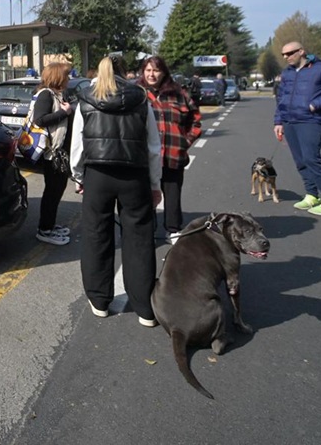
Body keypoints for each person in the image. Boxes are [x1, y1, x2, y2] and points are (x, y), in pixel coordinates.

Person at [71, 55, 163, 326]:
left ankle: (100, 301)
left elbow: (77, 145)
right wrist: (155, 184)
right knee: (140, 240)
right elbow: (153, 148)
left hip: (97, 175)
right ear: (126, 72)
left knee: (96, 236)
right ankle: (145, 309)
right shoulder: (140, 98)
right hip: (134, 175)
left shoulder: (86, 98)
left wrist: (78, 177)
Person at [273, 41, 321, 216]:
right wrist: (278, 121)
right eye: (283, 54)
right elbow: (281, 98)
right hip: (289, 120)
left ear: (301, 51)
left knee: (311, 159)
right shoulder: (288, 73)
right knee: (300, 161)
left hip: (310, 120)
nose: (286, 57)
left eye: (290, 53)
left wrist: (316, 104)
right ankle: (312, 195)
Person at [138, 56, 202, 243]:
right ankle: (147, 228)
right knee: (145, 194)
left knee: (172, 194)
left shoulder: (179, 94)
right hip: (146, 156)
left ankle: (173, 228)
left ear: (164, 72)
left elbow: (196, 121)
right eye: (148, 70)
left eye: (155, 70)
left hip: (173, 154)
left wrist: (184, 142)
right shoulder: (137, 93)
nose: (151, 74)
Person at [30, 61, 75, 245]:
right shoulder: (46, 95)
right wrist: (64, 113)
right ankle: (44, 230)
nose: (69, 78)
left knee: (57, 190)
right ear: (58, 76)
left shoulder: (58, 95)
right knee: (52, 191)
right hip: (52, 153)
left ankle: (49, 225)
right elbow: (39, 120)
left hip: (59, 152)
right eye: (66, 75)